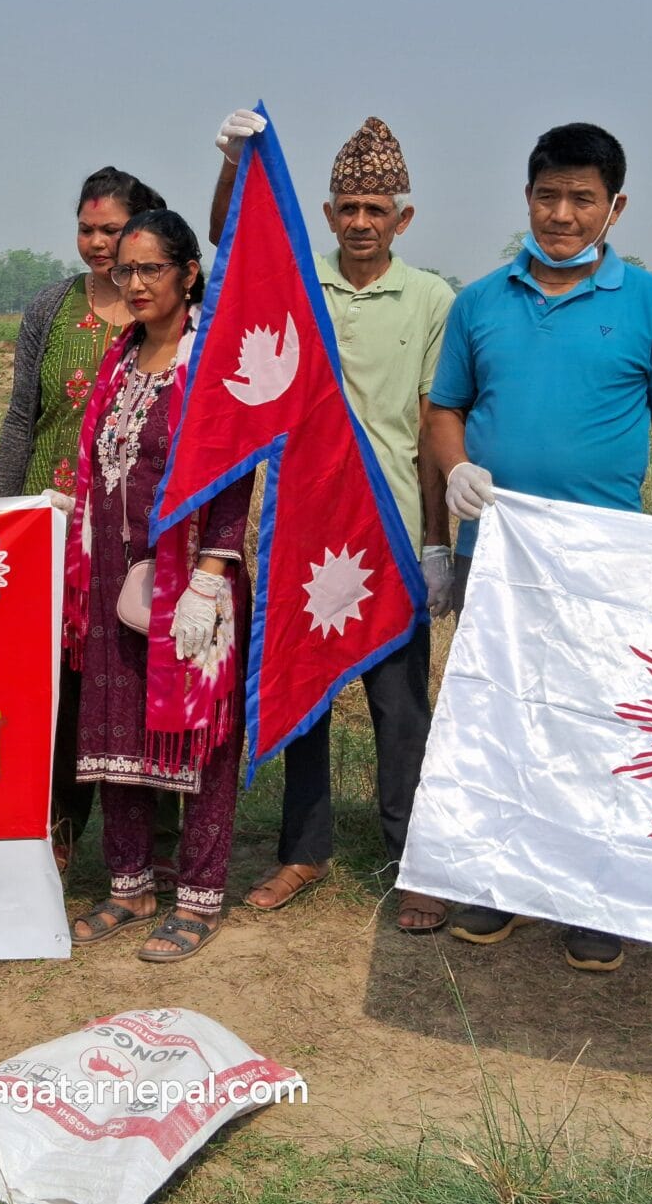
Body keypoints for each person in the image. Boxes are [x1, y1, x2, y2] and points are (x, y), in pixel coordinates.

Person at [422, 122, 652, 973]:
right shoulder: (480, 301)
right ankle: (498, 882)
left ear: (614, 207)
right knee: (498, 712)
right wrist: (458, 467)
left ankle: (591, 894)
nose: (563, 214)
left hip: (603, 557)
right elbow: (443, 410)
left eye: (583, 198)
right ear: (526, 199)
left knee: (598, 722)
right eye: (549, 196)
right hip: (498, 549)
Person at [209, 111, 458, 933]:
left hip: (389, 527)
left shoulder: (430, 299)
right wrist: (237, 168)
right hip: (306, 524)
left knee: (401, 707)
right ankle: (302, 849)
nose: (360, 222)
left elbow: (432, 419)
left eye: (376, 208)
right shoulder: (298, 281)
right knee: (304, 693)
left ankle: (414, 858)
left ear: (402, 218)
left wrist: (434, 542)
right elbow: (232, 248)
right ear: (326, 215)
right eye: (347, 207)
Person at [62, 209, 255, 964]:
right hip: (113, 575)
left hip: (193, 572)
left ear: (188, 274)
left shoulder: (209, 361)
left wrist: (215, 569)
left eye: (151, 269)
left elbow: (233, 469)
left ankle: (202, 896)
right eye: (124, 271)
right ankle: (132, 882)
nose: (134, 282)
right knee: (118, 729)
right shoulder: (118, 358)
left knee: (199, 732)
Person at [0, 166, 172, 875]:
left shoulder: (168, 312)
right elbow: (19, 417)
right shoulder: (50, 306)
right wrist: (4, 509)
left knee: (139, 678)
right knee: (59, 686)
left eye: (112, 229)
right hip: (51, 523)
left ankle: (152, 842)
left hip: (134, 533)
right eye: (87, 228)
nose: (97, 243)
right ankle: (59, 832)